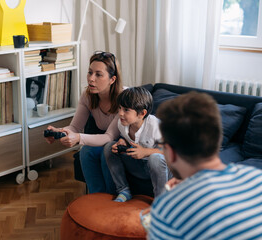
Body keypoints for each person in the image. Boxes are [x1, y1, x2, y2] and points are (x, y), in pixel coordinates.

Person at [147, 91, 262, 239]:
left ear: (170, 152)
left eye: (161, 144)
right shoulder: (256, 179)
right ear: (217, 140)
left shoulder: (168, 210)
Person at [45, 51, 123, 194]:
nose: (91, 79)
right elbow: (75, 127)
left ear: (112, 79)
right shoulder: (88, 96)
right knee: (86, 151)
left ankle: (111, 200)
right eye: (90, 72)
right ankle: (96, 197)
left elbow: (109, 137)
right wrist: (60, 132)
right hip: (105, 141)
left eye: (98, 74)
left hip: (120, 143)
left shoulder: (123, 99)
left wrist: (79, 138)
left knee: (108, 150)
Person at [104, 87, 172, 202]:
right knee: (109, 147)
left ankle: (161, 201)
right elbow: (128, 138)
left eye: (126, 110)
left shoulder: (155, 126)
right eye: (119, 108)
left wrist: (146, 152)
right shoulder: (122, 123)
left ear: (142, 113)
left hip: (161, 168)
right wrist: (123, 142)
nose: (120, 113)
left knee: (155, 158)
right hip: (139, 165)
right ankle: (123, 190)